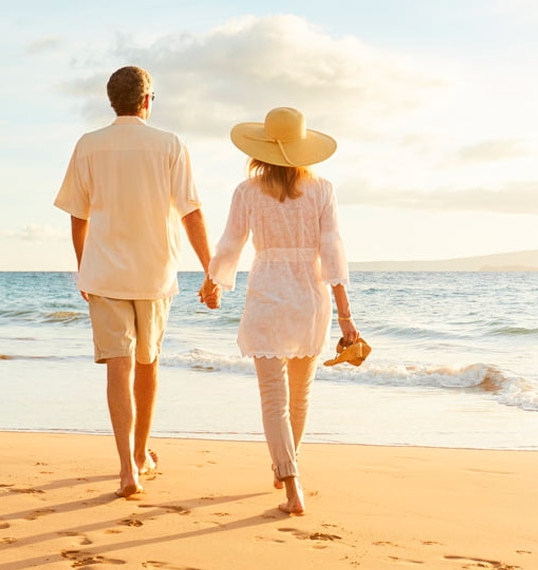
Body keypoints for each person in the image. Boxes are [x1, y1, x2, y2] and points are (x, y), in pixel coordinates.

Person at [54, 66, 220, 498]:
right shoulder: (170, 144)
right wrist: (210, 270)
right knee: (147, 364)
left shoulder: (88, 145)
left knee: (118, 366)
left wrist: (83, 265)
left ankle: (127, 467)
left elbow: (78, 215)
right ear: (147, 100)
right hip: (155, 273)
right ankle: (142, 453)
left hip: (105, 272)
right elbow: (191, 212)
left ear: (114, 101)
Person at [208, 107, 358, 515]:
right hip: (310, 297)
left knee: (273, 398)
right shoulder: (322, 189)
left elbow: (230, 244)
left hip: (268, 294)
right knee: (300, 397)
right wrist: (345, 314)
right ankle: (287, 466)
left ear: (259, 150)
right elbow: (332, 250)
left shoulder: (247, 191)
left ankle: (290, 483)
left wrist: (214, 281)